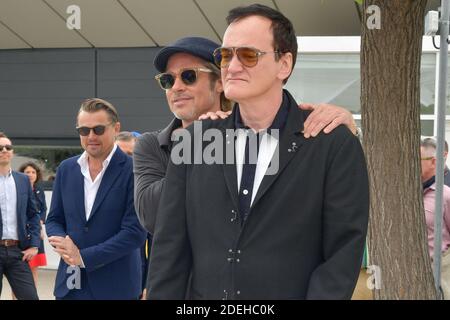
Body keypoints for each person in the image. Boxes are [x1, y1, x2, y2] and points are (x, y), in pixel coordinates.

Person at [146, 4, 369, 300]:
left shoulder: (332, 142)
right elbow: (169, 251)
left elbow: (341, 255)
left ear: (284, 64)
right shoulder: (194, 142)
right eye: (226, 55)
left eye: (248, 55)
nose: (232, 66)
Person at [133, 36, 358, 236]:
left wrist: (344, 126)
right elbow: (152, 217)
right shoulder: (151, 145)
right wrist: (196, 143)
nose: (176, 87)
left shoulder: (259, 133)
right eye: (167, 80)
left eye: (189, 76)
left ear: (220, 82)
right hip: (180, 280)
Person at [45, 98, 147, 300]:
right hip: (70, 287)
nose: (90, 136)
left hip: (116, 287)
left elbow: (135, 233)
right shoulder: (66, 169)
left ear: (116, 128)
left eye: (98, 129)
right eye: (84, 130)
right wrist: (63, 244)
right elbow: (54, 219)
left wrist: (82, 257)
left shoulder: (135, 170)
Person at [0, 132, 40, 300]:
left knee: (30, 297)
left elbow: (33, 214)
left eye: (8, 147)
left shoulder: (23, 180)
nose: (4, 150)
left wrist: (34, 245)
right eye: (0, 148)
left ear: (12, 152)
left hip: (17, 251)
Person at [116, 130, 151, 300]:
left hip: (133, 282)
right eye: (119, 153)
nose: (124, 159)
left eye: (130, 154)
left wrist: (148, 285)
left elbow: (156, 246)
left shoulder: (148, 192)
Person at [421, 137, 450, 299]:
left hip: (440, 276)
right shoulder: (405, 194)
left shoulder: (445, 195)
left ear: (433, 162)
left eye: (417, 159)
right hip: (409, 272)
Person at [16, 162, 47, 296]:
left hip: (36, 234)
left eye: (33, 172)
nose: (30, 175)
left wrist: (39, 225)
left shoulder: (39, 190)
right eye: (27, 172)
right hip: (22, 234)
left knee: (34, 269)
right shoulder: (17, 188)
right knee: (18, 273)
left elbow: (43, 210)